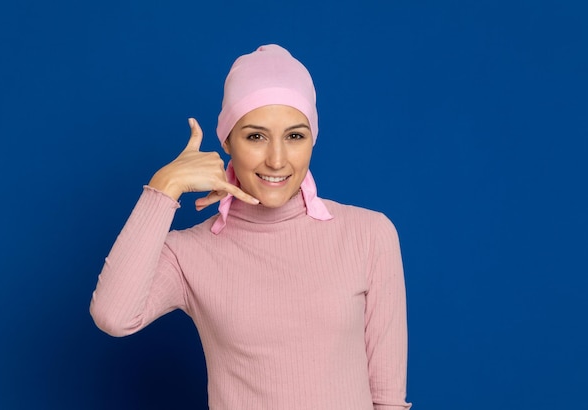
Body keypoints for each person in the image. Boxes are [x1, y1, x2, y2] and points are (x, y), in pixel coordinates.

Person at [90, 44, 412, 410]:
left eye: (295, 136)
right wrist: (165, 187)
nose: (276, 160)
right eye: (255, 136)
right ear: (226, 140)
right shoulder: (189, 253)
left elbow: (387, 399)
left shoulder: (369, 235)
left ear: (313, 139)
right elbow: (113, 317)